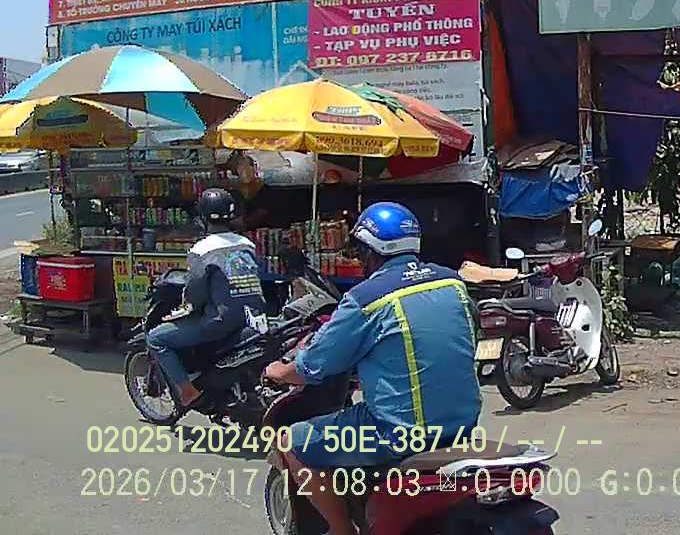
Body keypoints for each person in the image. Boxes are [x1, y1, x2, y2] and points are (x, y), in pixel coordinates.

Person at [264, 202, 481, 535]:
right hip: (461, 425)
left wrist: (279, 371)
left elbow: (315, 363)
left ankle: (341, 530)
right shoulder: (452, 283)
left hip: (398, 434)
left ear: (370, 252)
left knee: (292, 442)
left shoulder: (367, 298)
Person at [146, 188, 267, 406]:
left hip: (222, 322)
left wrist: (185, 307)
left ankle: (187, 392)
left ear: (202, 217)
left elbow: (195, 294)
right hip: (254, 317)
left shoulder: (202, 250)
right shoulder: (246, 244)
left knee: (156, 339)